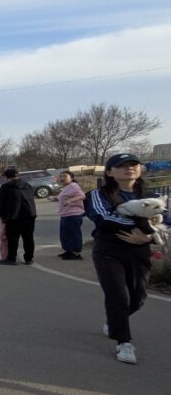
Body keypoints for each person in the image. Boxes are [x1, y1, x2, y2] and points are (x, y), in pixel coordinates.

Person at [85, 153, 155, 365]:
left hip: (139, 251)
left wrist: (149, 235)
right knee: (118, 296)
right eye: (122, 166)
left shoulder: (149, 196)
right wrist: (139, 226)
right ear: (110, 172)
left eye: (133, 164)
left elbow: (166, 219)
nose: (129, 168)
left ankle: (114, 321)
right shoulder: (99, 194)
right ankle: (124, 342)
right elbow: (103, 216)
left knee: (138, 298)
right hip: (109, 251)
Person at [0, 167, 37, 265]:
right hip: (30, 215)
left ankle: (11, 258)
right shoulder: (27, 185)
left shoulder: (6, 187)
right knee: (28, 238)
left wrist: (0, 214)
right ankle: (29, 258)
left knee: (13, 239)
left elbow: (0, 203)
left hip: (13, 216)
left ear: (6, 177)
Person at [52, 171, 86, 259]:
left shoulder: (74, 186)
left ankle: (76, 253)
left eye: (65, 176)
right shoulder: (66, 187)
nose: (62, 178)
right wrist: (55, 198)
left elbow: (82, 196)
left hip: (74, 214)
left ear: (71, 178)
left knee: (73, 234)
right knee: (65, 234)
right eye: (61, 176)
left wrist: (71, 201)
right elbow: (63, 198)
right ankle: (69, 251)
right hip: (65, 214)